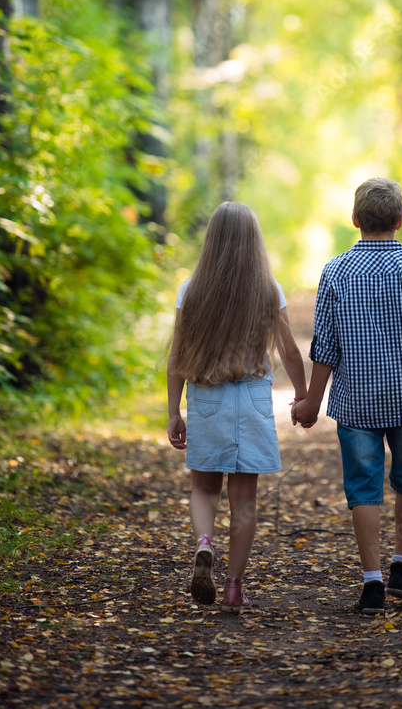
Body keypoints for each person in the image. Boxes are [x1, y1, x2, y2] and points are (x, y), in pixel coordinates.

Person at [292, 178, 402, 615]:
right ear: (400, 220)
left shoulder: (336, 272)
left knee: (363, 487)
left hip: (357, 402)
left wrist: (310, 401)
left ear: (354, 220)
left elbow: (324, 346)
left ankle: (372, 581)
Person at [166, 202, 307, 611]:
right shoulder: (268, 290)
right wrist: (302, 396)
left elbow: (177, 357)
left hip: (206, 397)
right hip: (252, 400)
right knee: (244, 500)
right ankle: (232, 588)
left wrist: (174, 411)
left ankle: (204, 542)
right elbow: (290, 352)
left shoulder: (191, 290)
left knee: (203, 487)